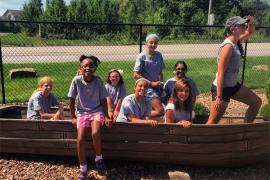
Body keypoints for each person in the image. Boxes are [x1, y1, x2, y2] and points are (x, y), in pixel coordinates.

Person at [207, 16, 262, 124]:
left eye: (244, 24)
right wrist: (219, 97)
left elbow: (250, 31)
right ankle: (200, 140)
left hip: (232, 86)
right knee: (212, 122)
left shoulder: (236, 42)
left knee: (256, 102)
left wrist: (251, 22)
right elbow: (221, 72)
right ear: (232, 28)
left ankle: (244, 130)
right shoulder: (228, 46)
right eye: (241, 25)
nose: (244, 26)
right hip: (222, 89)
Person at [68, 55, 113, 179]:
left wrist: (107, 116)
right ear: (80, 68)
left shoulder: (98, 80)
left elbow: (103, 100)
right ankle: (83, 169)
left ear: (94, 68)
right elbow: (71, 100)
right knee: (80, 138)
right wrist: (73, 116)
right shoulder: (76, 80)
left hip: (97, 111)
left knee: (95, 133)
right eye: (85, 66)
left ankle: (99, 160)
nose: (88, 67)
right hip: (82, 113)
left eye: (91, 65)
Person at [133, 33, 165, 119]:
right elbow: (135, 74)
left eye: (155, 43)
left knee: (171, 102)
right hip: (147, 87)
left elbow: (160, 72)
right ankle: (139, 116)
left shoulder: (159, 55)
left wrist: (162, 84)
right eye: (151, 42)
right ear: (146, 43)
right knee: (160, 111)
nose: (153, 45)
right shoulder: (141, 56)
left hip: (157, 86)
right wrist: (151, 83)